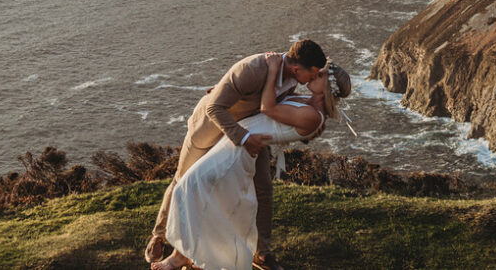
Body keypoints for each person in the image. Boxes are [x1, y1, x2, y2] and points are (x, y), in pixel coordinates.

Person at [151, 51, 352, 270]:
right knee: (192, 188)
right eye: (315, 71)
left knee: (191, 189)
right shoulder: (304, 97)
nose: (314, 75)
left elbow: (268, 108)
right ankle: (183, 252)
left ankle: (187, 256)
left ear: (327, 88)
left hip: (239, 152)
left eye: (320, 75)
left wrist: (273, 70)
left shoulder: (312, 113)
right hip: (232, 139)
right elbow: (276, 111)